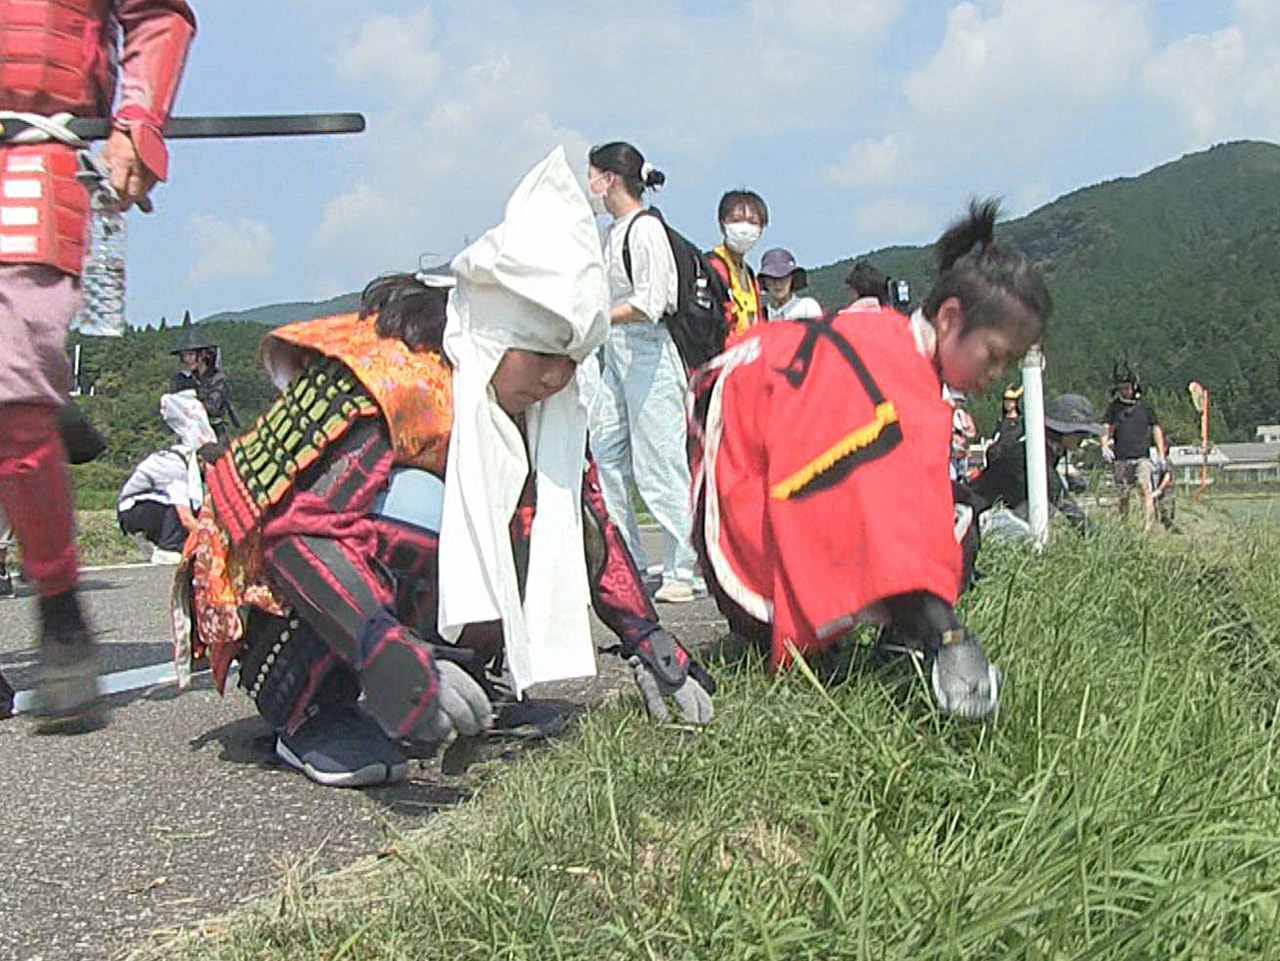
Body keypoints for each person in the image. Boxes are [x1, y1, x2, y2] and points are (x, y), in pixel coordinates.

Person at [174, 149, 713, 787]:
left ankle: (458, 679)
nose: (557, 378)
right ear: (495, 332)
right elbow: (296, 532)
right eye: (542, 354)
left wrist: (646, 638)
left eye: (572, 359)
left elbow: (588, 516)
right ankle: (313, 710)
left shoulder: (547, 399)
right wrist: (381, 648)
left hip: (371, 597)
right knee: (417, 506)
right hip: (277, 589)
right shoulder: (397, 379)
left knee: (544, 503)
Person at [689, 199, 1050, 720]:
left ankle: (880, 637)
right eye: (994, 356)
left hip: (747, 464)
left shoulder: (895, 349)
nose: (996, 375)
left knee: (953, 517)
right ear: (950, 319)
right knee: (944, 525)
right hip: (740, 503)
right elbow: (887, 521)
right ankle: (823, 635)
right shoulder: (893, 379)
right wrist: (948, 636)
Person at [0, 0, 195, 729]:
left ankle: (60, 616)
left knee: (10, 392)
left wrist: (137, 121)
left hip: (32, 162)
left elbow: (155, 15)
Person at [583, 141, 701, 603]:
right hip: (616, 353)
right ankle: (628, 555)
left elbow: (654, 303)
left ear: (609, 178)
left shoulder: (645, 230)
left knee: (659, 464)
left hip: (649, 353)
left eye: (592, 174)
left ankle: (685, 565)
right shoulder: (613, 232)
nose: (589, 184)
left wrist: (601, 316)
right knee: (605, 449)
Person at [971, 393, 1100, 536]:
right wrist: (1089, 531)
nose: (1084, 438)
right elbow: (1056, 493)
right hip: (987, 513)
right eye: (1080, 433)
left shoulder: (1041, 442)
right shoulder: (1033, 450)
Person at [117, 392, 221, 563]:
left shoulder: (188, 461)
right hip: (133, 509)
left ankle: (170, 543)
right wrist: (215, 542)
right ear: (202, 462)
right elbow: (186, 519)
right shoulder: (176, 467)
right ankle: (168, 548)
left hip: (152, 503)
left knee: (195, 508)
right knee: (179, 507)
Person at [1102, 362, 1165, 531]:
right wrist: (1105, 444)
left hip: (1141, 457)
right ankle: (1124, 526)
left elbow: (1156, 429)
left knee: (1145, 489)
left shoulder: (1144, 407)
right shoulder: (1114, 408)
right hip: (1121, 457)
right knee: (1123, 495)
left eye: (1127, 387)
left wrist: (1161, 453)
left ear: (1134, 387)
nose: (1124, 391)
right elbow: (1106, 426)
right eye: (1121, 388)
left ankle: (1148, 527)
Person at [706, 190, 768, 341]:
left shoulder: (749, 274)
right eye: (736, 220)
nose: (745, 228)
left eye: (753, 222)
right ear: (722, 224)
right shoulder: (712, 267)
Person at [169, 328, 239, 441]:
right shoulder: (181, 380)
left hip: (214, 433)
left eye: (191, 355)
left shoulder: (217, 378)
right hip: (189, 434)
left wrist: (192, 398)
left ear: (202, 355)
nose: (187, 359)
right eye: (184, 356)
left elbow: (213, 407)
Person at [758, 248, 823, 321]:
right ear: (765, 281)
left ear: (792, 278)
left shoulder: (807, 307)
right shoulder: (759, 316)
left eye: (783, 277)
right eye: (772, 278)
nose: (778, 283)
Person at [986, 384, 1024, 463]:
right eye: (1006, 401)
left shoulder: (1021, 420)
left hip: (1015, 452)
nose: (1007, 404)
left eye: (1010, 401)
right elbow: (996, 435)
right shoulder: (1001, 420)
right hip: (1002, 452)